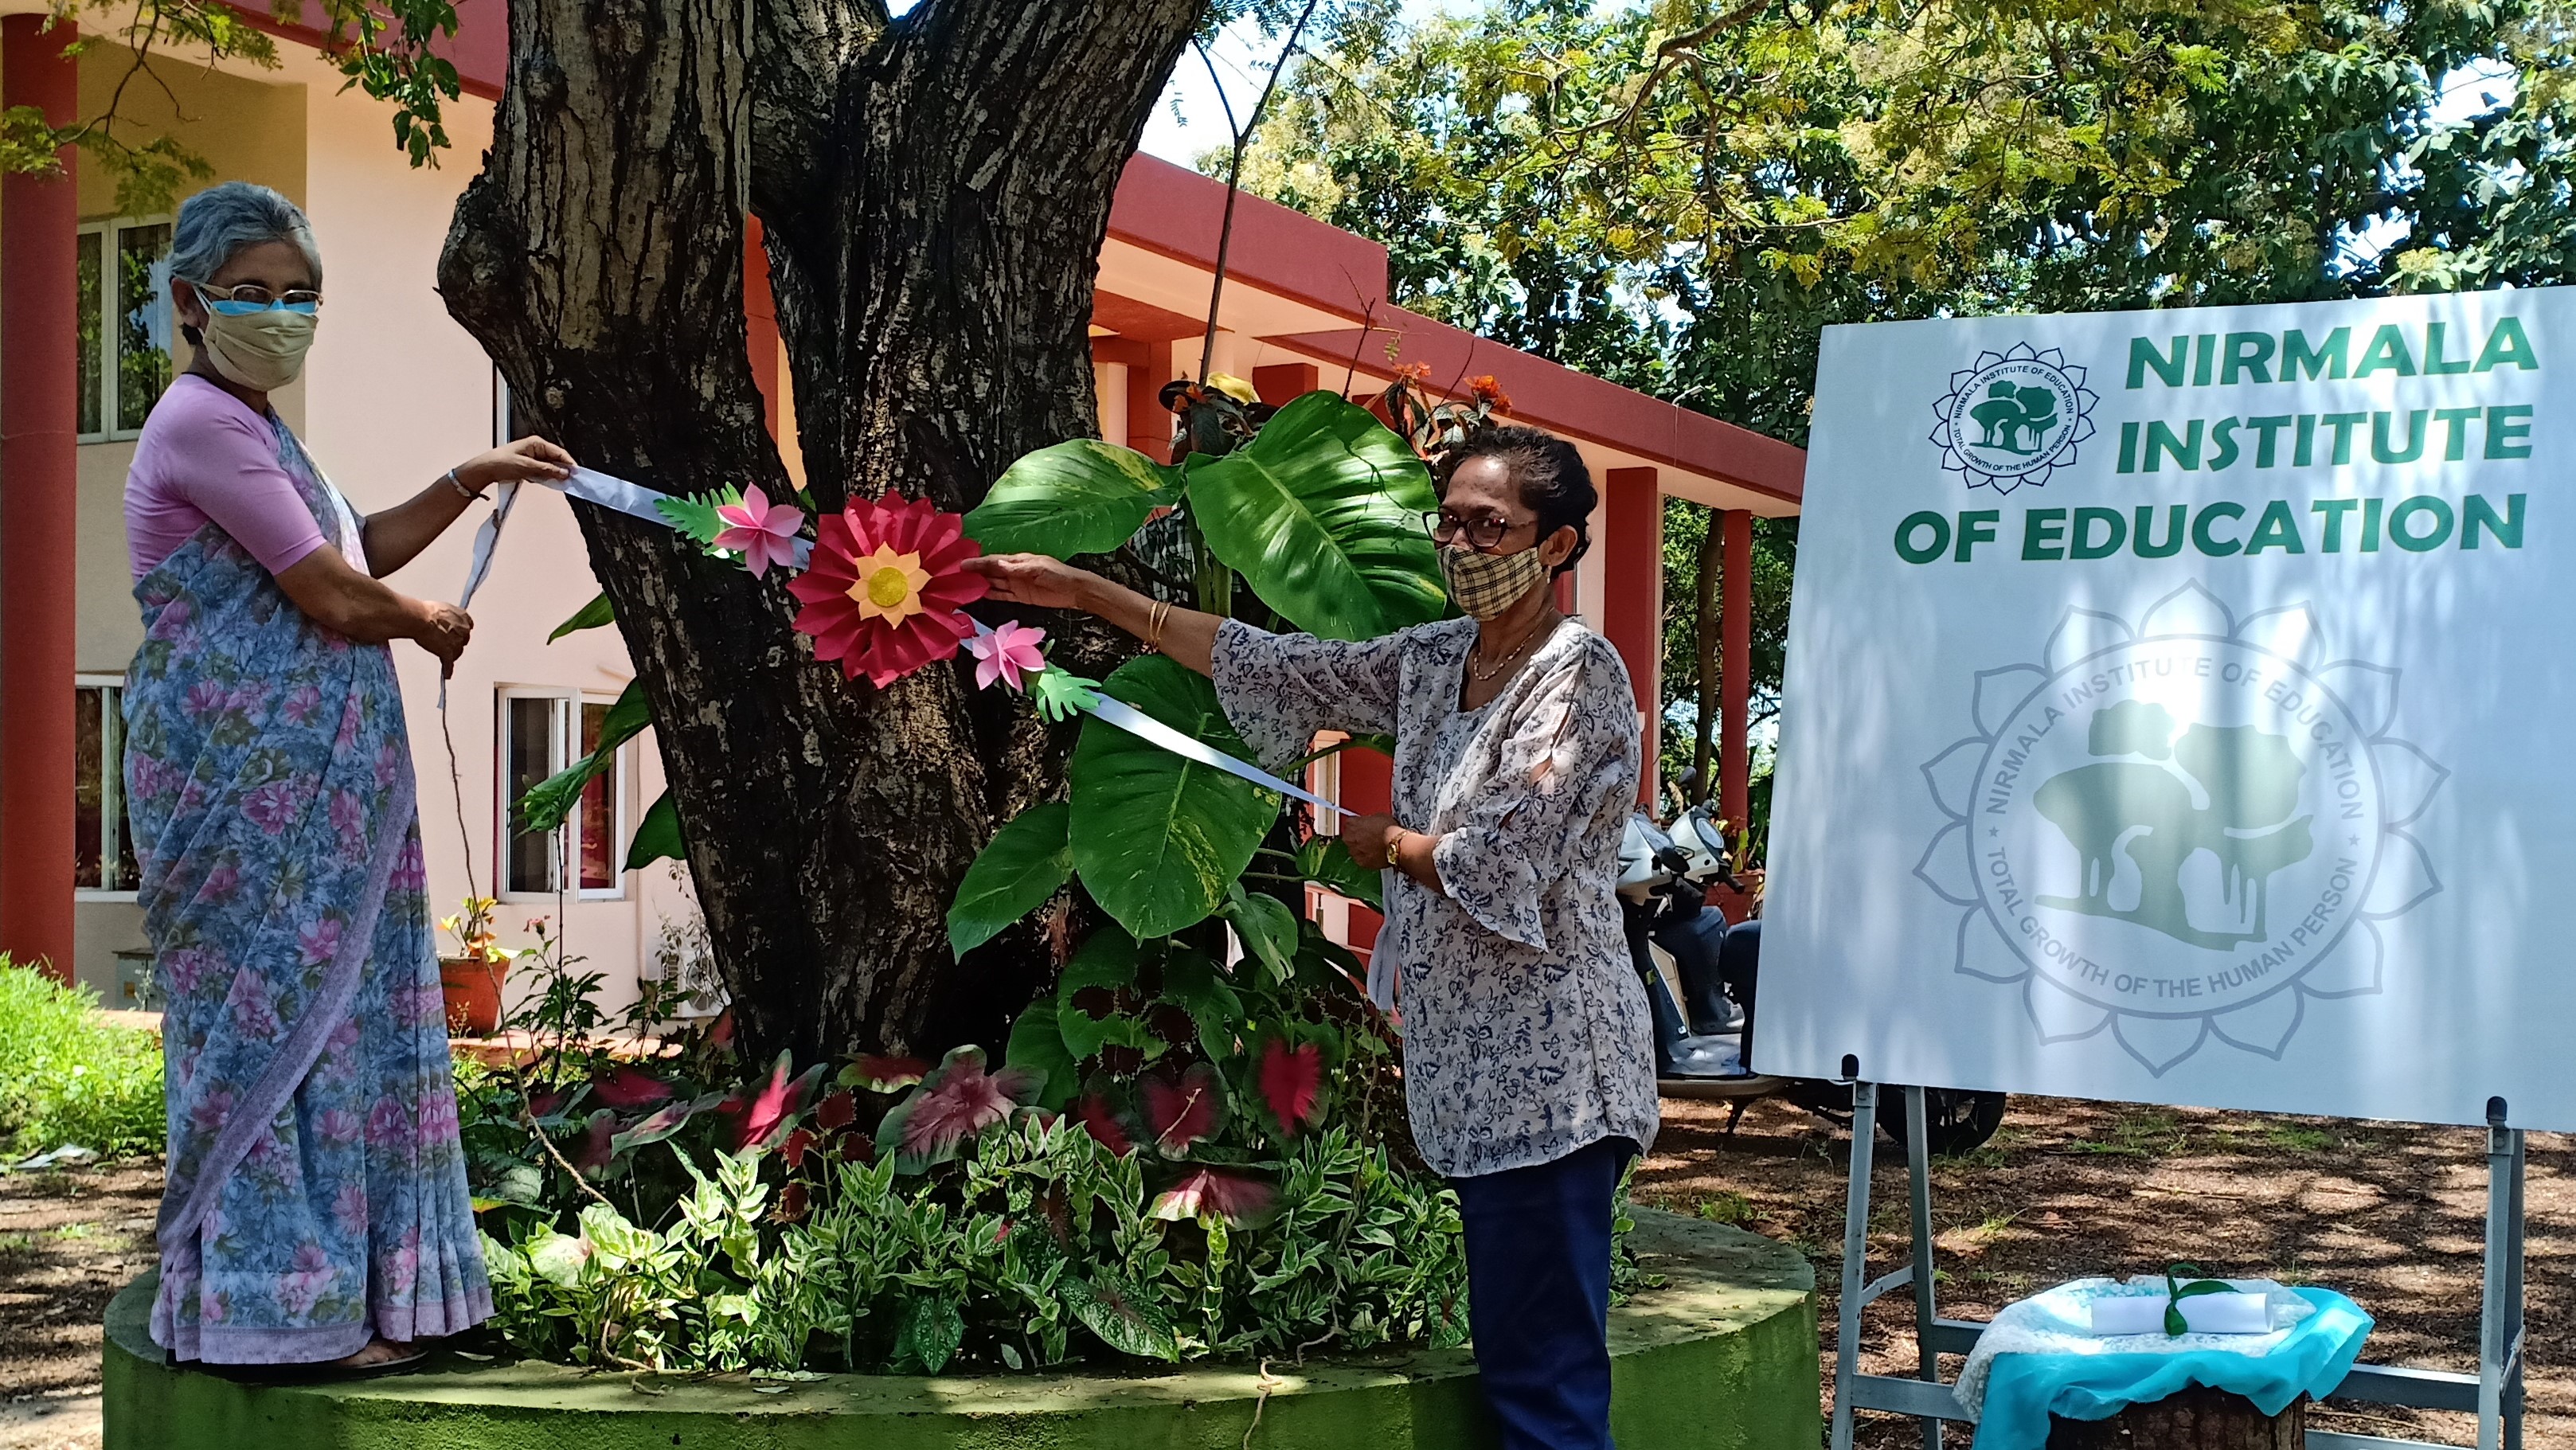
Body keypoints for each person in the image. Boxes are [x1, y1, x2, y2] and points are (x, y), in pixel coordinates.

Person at [968, 424, 1658, 1449]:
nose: (1462, 547)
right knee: (1517, 1361)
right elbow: (1281, 666)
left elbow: (1516, 851)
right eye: (1450, 523)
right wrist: (1089, 597)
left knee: (1545, 1380)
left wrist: (1401, 846)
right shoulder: (1435, 657)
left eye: (1490, 526)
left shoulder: (1577, 673)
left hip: (1555, 1078)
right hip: (1475, 1073)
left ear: (1556, 546)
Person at [121, 181, 575, 1372]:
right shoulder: (200, 424)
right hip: (246, 806)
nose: (282, 314)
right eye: (255, 294)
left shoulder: (262, 431)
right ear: (187, 301)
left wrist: (470, 476)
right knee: (276, 1035)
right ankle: (270, 1313)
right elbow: (327, 591)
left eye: (300, 296)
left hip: (325, 804)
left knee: (347, 1027)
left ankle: (352, 1302)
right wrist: (422, 620)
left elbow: (350, 544)